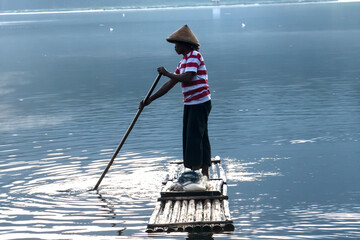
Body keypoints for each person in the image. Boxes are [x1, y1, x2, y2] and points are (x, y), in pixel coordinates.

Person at [140, 25, 212, 177]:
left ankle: (197, 173)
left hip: (199, 102)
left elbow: (188, 77)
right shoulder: (183, 61)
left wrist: (167, 73)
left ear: (185, 45)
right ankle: (203, 172)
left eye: (177, 44)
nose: (175, 48)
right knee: (197, 135)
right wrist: (149, 99)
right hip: (191, 103)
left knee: (194, 137)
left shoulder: (194, 56)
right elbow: (169, 84)